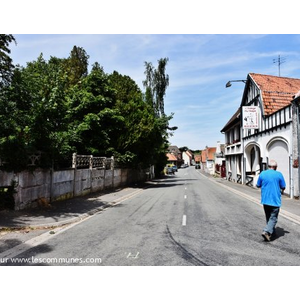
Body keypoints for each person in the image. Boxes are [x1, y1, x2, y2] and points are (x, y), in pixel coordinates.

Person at [256, 159, 286, 242]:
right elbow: (283, 186)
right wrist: (282, 190)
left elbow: (258, 185)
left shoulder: (262, 173)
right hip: (275, 200)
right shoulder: (279, 174)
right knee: (273, 218)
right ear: (276, 167)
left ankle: (272, 233)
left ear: (268, 166)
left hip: (265, 200)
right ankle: (266, 231)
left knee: (269, 217)